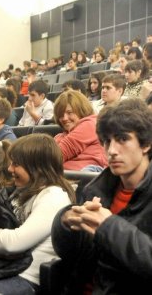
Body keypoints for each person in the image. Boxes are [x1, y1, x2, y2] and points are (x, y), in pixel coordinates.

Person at [52, 98, 152, 294]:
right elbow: (71, 256)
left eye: (122, 139)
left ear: (146, 144)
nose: (112, 151)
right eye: (106, 141)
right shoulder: (94, 189)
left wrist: (109, 226)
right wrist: (65, 223)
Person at [0, 134, 76, 294]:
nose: (10, 169)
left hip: (26, 279)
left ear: (37, 167)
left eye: (16, 164)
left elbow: (12, 244)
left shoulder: (54, 196)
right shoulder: (18, 192)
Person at [54, 90, 108, 171]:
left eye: (69, 112)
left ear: (81, 110)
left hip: (87, 178)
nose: (64, 118)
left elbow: (56, 156)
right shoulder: (61, 136)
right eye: (61, 115)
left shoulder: (91, 124)